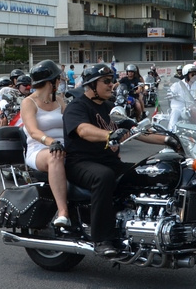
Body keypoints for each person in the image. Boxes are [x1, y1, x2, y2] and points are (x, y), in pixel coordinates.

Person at [63, 64, 171, 258]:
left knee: (148, 172)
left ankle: (140, 224)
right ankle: (102, 239)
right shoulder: (77, 106)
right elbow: (83, 130)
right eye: (106, 81)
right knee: (103, 177)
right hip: (80, 162)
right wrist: (109, 134)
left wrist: (169, 139)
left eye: (112, 81)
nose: (111, 85)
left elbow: (137, 131)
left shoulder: (111, 107)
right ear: (91, 85)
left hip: (108, 160)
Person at [20, 60, 71, 229]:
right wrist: (52, 142)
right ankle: (63, 212)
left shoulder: (60, 101)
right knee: (54, 157)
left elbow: (72, 125)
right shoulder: (29, 102)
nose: (59, 82)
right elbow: (33, 131)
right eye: (58, 79)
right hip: (40, 149)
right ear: (52, 82)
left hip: (63, 147)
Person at [167, 63, 196, 130]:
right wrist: (171, 95)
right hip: (179, 107)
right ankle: (171, 131)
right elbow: (170, 92)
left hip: (192, 107)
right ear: (186, 75)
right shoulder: (178, 84)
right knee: (174, 113)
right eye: (192, 74)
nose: (194, 76)